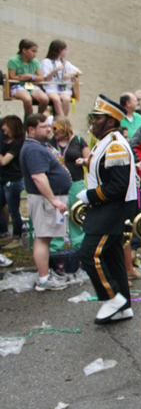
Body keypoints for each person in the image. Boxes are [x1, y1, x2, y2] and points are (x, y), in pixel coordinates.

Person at [77, 95, 138, 324]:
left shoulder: (114, 144)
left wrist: (90, 195)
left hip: (113, 208)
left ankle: (113, 298)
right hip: (106, 207)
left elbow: (118, 186)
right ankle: (123, 306)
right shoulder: (105, 140)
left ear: (111, 121)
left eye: (98, 117)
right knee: (112, 257)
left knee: (89, 254)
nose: (93, 121)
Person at [19, 114, 72, 291]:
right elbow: (38, 177)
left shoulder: (40, 146)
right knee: (42, 238)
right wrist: (53, 200)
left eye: (49, 126)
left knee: (46, 238)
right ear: (31, 130)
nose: (49, 129)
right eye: (44, 127)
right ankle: (44, 279)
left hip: (48, 199)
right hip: (44, 200)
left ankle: (46, 274)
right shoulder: (34, 149)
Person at [48, 116, 90, 251]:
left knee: (76, 213)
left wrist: (83, 161)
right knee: (58, 215)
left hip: (76, 182)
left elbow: (89, 159)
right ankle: (56, 246)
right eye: (51, 128)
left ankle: (78, 244)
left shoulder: (78, 141)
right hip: (57, 185)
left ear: (63, 127)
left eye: (55, 128)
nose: (53, 131)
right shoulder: (50, 143)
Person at [0, 115, 26, 249]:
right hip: (4, 180)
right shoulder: (6, 141)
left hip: (13, 181)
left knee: (14, 210)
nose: (2, 127)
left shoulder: (18, 143)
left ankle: (17, 237)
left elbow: (4, 161)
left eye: (4, 125)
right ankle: (4, 234)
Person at [7, 39, 48, 117]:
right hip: (18, 86)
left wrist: (30, 76)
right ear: (24, 50)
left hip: (31, 85)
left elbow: (41, 78)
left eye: (36, 52)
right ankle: (30, 119)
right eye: (33, 51)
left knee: (44, 99)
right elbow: (12, 77)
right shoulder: (13, 60)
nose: (35, 54)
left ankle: (38, 118)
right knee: (27, 99)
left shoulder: (35, 62)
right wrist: (23, 78)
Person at [40, 40, 81, 117]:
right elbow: (45, 79)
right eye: (65, 49)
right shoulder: (47, 62)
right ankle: (62, 121)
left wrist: (70, 73)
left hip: (63, 89)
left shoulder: (66, 63)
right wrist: (55, 70)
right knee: (56, 100)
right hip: (51, 88)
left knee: (66, 99)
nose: (67, 51)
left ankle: (63, 120)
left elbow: (79, 72)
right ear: (59, 50)